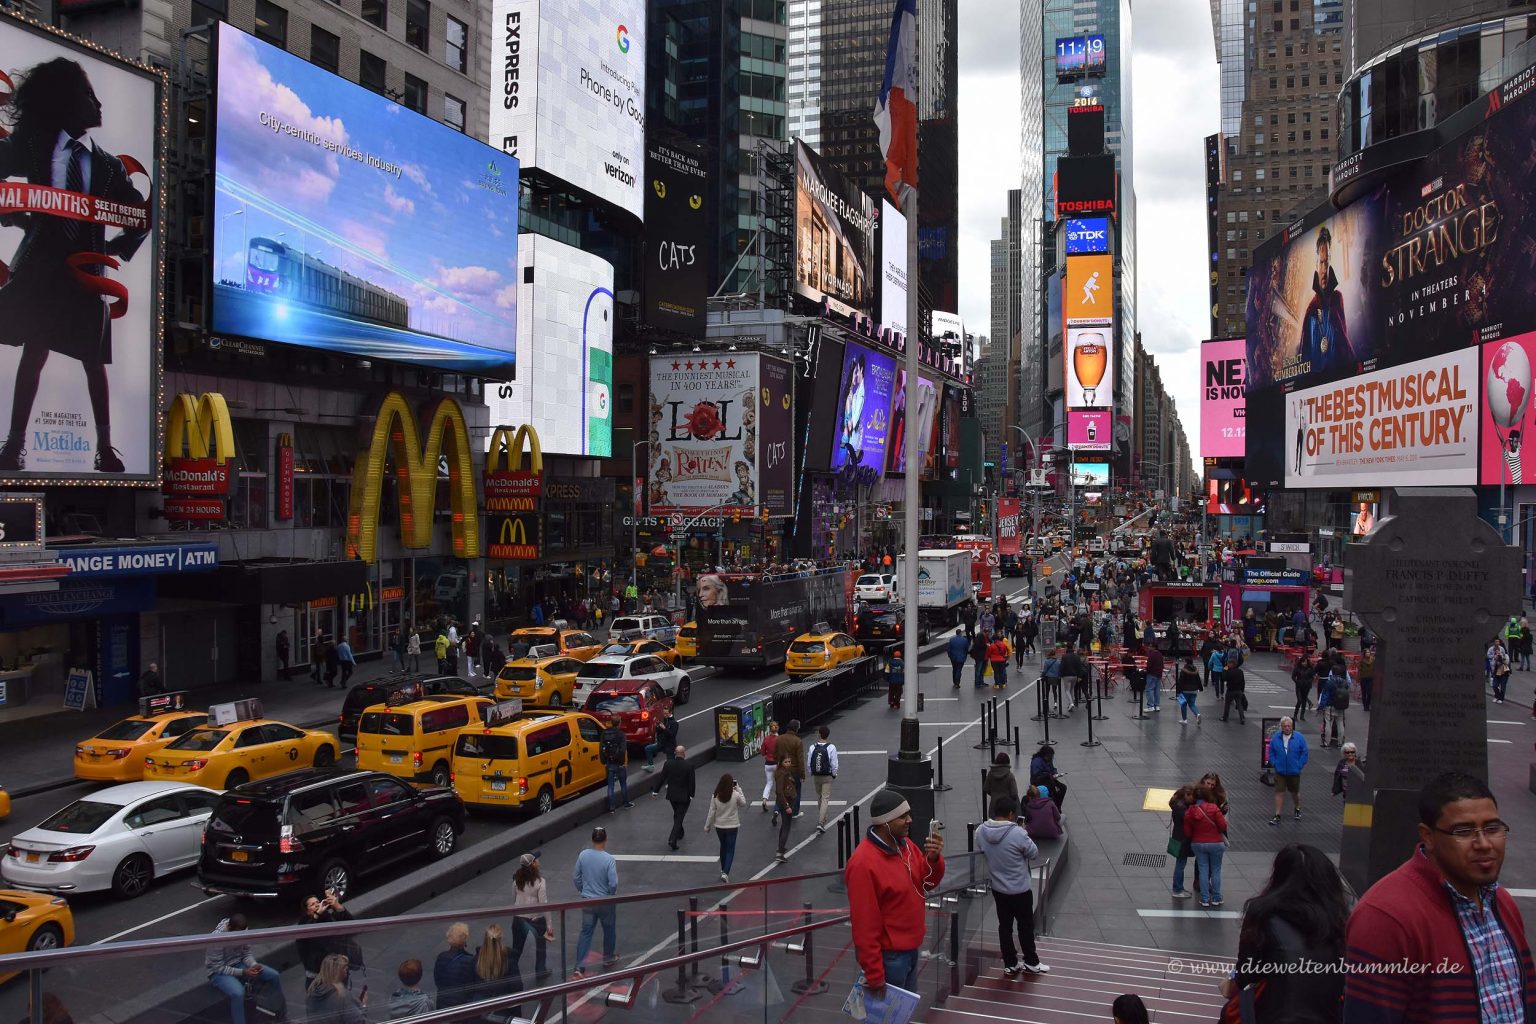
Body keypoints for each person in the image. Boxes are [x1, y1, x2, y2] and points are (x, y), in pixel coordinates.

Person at [0, 58, 153, 474]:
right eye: (87, 94)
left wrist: (120, 247)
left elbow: (142, 212)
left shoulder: (107, 164)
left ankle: (105, 448)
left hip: (87, 272)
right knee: (35, 350)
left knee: (93, 360)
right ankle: (14, 447)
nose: (98, 102)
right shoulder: (32, 143)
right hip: (42, 267)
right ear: (65, 100)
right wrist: (13, 213)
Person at [1343, 771, 1536, 1023]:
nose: (1484, 843)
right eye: (1464, 831)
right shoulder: (1384, 918)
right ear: (1428, 837)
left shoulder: (1502, 902)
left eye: (1492, 828)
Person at [1219, 843, 1351, 1023]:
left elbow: (1246, 975)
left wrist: (1231, 981)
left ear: (1279, 876)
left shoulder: (1262, 913)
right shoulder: (1340, 920)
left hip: (1275, 1015)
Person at [845, 790, 946, 1003]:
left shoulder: (906, 846)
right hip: (889, 960)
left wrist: (934, 859)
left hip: (910, 952)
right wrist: (875, 974)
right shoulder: (863, 864)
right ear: (885, 823)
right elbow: (865, 925)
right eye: (903, 816)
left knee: (900, 1015)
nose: (910, 820)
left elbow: (926, 882)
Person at [977, 794, 1049, 976]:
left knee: (1005, 926)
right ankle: (1031, 961)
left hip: (998, 889)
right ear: (1010, 814)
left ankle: (1010, 963)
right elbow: (1033, 853)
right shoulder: (1017, 833)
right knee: (1025, 926)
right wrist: (1022, 831)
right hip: (1020, 889)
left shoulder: (981, 831)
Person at [205, 915, 285, 1024]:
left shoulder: (244, 931)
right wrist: (243, 972)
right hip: (218, 972)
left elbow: (246, 953)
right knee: (238, 993)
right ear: (229, 927)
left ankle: (277, 1011)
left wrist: (253, 964)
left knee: (273, 975)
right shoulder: (216, 939)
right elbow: (218, 967)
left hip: (239, 963)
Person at [571, 827, 619, 979]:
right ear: (605, 840)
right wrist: (610, 895)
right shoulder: (609, 859)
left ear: (593, 839)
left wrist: (582, 890)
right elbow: (613, 883)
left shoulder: (583, 855)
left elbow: (576, 877)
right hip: (605, 901)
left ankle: (579, 966)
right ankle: (608, 958)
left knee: (586, 932)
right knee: (609, 929)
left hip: (588, 900)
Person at [296, 891, 358, 986]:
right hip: (318, 972)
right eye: (313, 904)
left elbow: (351, 927)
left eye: (317, 902)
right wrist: (317, 915)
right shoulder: (304, 923)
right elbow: (307, 933)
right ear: (307, 911)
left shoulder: (328, 916)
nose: (317, 905)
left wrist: (338, 906)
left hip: (337, 967)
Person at [510, 853, 554, 983]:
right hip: (535, 919)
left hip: (518, 917)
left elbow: (514, 895)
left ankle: (510, 972)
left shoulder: (517, 879)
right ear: (533, 863)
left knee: (516, 947)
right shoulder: (540, 882)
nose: (539, 861)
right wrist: (549, 924)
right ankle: (540, 971)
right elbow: (543, 904)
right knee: (541, 946)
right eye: (536, 860)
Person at [1184, 784, 1228, 907]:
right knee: (1216, 870)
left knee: (1203, 870)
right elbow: (1223, 826)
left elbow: (1187, 833)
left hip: (1198, 843)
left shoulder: (1189, 812)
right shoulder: (1214, 808)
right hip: (1215, 843)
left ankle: (1204, 899)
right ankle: (1216, 897)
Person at [704, 773, 747, 882]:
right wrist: (739, 788)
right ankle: (726, 872)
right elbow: (743, 803)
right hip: (732, 826)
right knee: (730, 849)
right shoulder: (735, 794)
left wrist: (707, 825)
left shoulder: (715, 795)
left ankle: (723, 869)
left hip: (719, 826)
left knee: (723, 846)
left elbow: (711, 811)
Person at [471, 924, 522, 1012]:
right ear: (501, 938)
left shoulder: (477, 959)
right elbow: (517, 986)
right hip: (504, 1006)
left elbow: (471, 984)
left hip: (482, 1007)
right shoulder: (509, 960)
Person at [1268, 717, 1308, 825]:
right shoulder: (1276, 737)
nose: (1287, 728)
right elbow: (1271, 751)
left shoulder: (1299, 738)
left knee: (1294, 792)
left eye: (1289, 726)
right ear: (1281, 727)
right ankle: (1277, 815)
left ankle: (1297, 807)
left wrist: (1298, 765)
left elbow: (1304, 753)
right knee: (1279, 792)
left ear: (1292, 726)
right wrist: (1275, 763)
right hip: (1280, 771)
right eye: (1285, 726)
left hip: (1294, 771)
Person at [305, 953, 366, 1024]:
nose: (347, 969)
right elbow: (358, 1021)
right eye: (344, 967)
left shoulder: (311, 994)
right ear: (336, 972)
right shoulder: (343, 997)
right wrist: (363, 1006)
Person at [659, 744, 695, 851]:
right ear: (684, 753)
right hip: (684, 796)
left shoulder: (668, 764)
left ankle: (680, 832)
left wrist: (655, 791)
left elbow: (662, 778)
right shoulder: (689, 765)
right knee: (679, 816)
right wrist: (691, 794)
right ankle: (672, 839)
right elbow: (691, 782)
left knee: (677, 814)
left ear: (675, 753)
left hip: (672, 796)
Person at [433, 922, 477, 1008]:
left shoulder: (441, 957)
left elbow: (437, 981)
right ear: (465, 939)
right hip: (461, 1006)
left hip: (442, 1003)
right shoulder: (470, 961)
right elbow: (472, 987)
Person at [598, 715, 633, 812]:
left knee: (610, 785)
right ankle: (626, 803)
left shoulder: (604, 733)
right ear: (619, 723)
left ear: (611, 722)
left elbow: (601, 748)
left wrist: (604, 761)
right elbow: (622, 750)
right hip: (619, 763)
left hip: (609, 763)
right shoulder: (621, 734)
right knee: (623, 784)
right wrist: (621, 762)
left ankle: (612, 808)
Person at [808, 725, 839, 832]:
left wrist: (811, 772)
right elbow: (834, 764)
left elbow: (809, 763)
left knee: (819, 797)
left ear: (819, 734)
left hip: (816, 775)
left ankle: (823, 816)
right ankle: (821, 821)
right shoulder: (831, 747)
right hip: (827, 776)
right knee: (825, 798)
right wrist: (834, 774)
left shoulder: (812, 747)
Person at [1168, 785, 1196, 899]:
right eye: (1192, 796)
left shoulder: (1177, 805)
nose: (1193, 799)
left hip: (1178, 837)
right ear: (1186, 795)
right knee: (1180, 864)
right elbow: (1189, 820)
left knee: (1180, 863)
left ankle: (1179, 887)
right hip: (1182, 839)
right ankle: (1177, 889)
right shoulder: (1182, 808)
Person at [774, 719, 805, 820]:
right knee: (796, 791)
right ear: (796, 729)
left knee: (780, 790)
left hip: (781, 769)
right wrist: (802, 775)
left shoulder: (779, 739)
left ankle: (776, 809)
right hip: (794, 770)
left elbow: (775, 754)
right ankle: (794, 812)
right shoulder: (797, 741)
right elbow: (800, 760)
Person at [772, 754, 796, 862]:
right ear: (781, 762)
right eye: (786, 762)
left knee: (784, 826)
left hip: (786, 801)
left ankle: (780, 847)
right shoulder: (782, 774)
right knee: (786, 827)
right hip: (786, 802)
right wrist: (786, 806)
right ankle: (780, 852)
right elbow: (779, 791)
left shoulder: (784, 772)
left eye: (789, 762)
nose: (788, 764)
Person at [1029, 745, 1066, 811]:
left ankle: (1058, 806)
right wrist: (1047, 774)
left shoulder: (1048, 760)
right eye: (1050, 757)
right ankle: (1054, 807)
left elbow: (1052, 768)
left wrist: (1055, 773)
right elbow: (1036, 775)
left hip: (1049, 779)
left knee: (1063, 787)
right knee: (1052, 790)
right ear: (1045, 755)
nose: (1051, 758)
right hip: (1039, 782)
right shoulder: (1036, 762)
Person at [1175, 654, 1202, 726]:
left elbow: (1181, 681)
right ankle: (1197, 714)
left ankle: (1184, 720)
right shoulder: (1195, 669)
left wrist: (1178, 691)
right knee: (1192, 704)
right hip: (1194, 690)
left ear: (1186, 662)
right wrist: (1200, 688)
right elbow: (1198, 680)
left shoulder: (1184, 670)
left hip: (1185, 690)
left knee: (1183, 704)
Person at [759, 719, 780, 813]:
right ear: (777, 728)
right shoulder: (779, 739)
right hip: (777, 763)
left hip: (768, 764)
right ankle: (778, 801)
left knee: (769, 783)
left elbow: (762, 753)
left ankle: (764, 799)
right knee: (779, 782)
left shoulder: (766, 739)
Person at [1220, 655, 1246, 724]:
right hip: (1239, 690)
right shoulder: (1240, 671)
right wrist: (1242, 690)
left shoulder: (1229, 671)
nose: (1227, 665)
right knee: (1239, 704)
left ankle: (1225, 717)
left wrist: (1224, 670)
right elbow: (1243, 682)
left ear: (1232, 664)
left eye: (1228, 663)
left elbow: (1223, 678)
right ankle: (1242, 718)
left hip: (1230, 690)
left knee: (1227, 704)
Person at [1291, 650, 1317, 722]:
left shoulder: (1310, 668)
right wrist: (1297, 682)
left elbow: (1313, 676)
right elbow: (1293, 676)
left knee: (1304, 700)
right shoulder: (1297, 668)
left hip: (1306, 686)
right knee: (1299, 700)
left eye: (1305, 662)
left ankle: (1302, 715)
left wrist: (1310, 681)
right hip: (1299, 686)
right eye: (1303, 662)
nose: (1304, 663)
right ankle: (1295, 715)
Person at [1143, 644, 1164, 711]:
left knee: (1149, 689)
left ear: (1153, 647)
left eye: (1150, 646)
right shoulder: (1160, 654)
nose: (1149, 647)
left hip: (1152, 674)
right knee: (1157, 690)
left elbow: (1149, 665)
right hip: (1159, 674)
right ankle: (1157, 705)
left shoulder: (1151, 655)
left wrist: (1145, 670)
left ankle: (1150, 706)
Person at [1358, 646, 1376, 712]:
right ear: (1364, 653)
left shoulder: (1373, 659)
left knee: (1369, 692)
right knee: (1364, 692)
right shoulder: (1361, 661)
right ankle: (1365, 706)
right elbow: (1359, 670)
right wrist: (1358, 678)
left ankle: (1367, 705)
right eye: (1366, 652)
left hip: (1370, 678)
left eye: (1369, 652)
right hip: (1363, 678)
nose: (1368, 653)